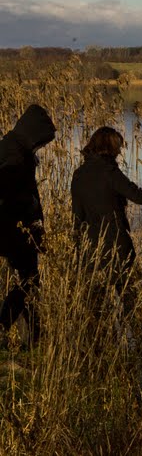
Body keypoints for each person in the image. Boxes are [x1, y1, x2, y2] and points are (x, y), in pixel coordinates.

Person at [71, 126, 142, 301]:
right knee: (131, 305)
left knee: (95, 312)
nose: (119, 153)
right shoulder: (110, 172)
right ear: (110, 149)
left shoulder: (78, 175)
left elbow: (76, 218)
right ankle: (137, 328)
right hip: (117, 247)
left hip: (90, 252)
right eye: (118, 148)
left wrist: (78, 254)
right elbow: (139, 196)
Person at [0, 104, 56, 344]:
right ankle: (5, 326)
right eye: (42, 141)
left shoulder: (17, 150)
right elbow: (17, 195)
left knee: (30, 280)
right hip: (13, 229)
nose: (42, 146)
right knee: (30, 280)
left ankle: (33, 338)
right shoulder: (14, 156)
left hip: (20, 229)